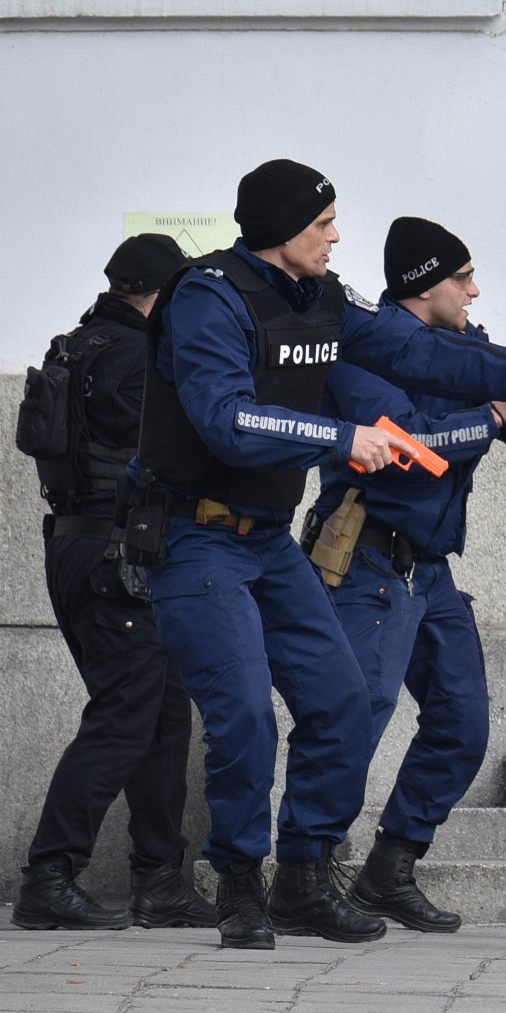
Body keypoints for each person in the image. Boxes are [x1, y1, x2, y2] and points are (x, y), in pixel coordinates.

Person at [130, 159, 506, 951]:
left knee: (338, 705)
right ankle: (237, 886)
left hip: (266, 538)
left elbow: (425, 355)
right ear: (286, 229)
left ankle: (302, 880)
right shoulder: (208, 298)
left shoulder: (325, 298)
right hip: (198, 537)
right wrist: (341, 437)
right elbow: (225, 419)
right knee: (248, 718)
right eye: (324, 223)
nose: (336, 235)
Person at [304, 218, 506, 933]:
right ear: (425, 285)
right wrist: (491, 413)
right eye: (462, 277)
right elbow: (409, 444)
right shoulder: (362, 354)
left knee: (462, 723)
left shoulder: (467, 350)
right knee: (354, 716)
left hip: (431, 570)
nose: (475, 290)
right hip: (366, 559)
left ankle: (389, 871)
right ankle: (309, 869)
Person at [11, 234, 214, 933]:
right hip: (113, 556)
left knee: (161, 709)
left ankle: (160, 878)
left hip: (85, 549)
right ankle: (50, 873)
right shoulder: (137, 359)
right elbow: (182, 448)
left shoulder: (79, 345)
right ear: (163, 294)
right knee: (130, 710)